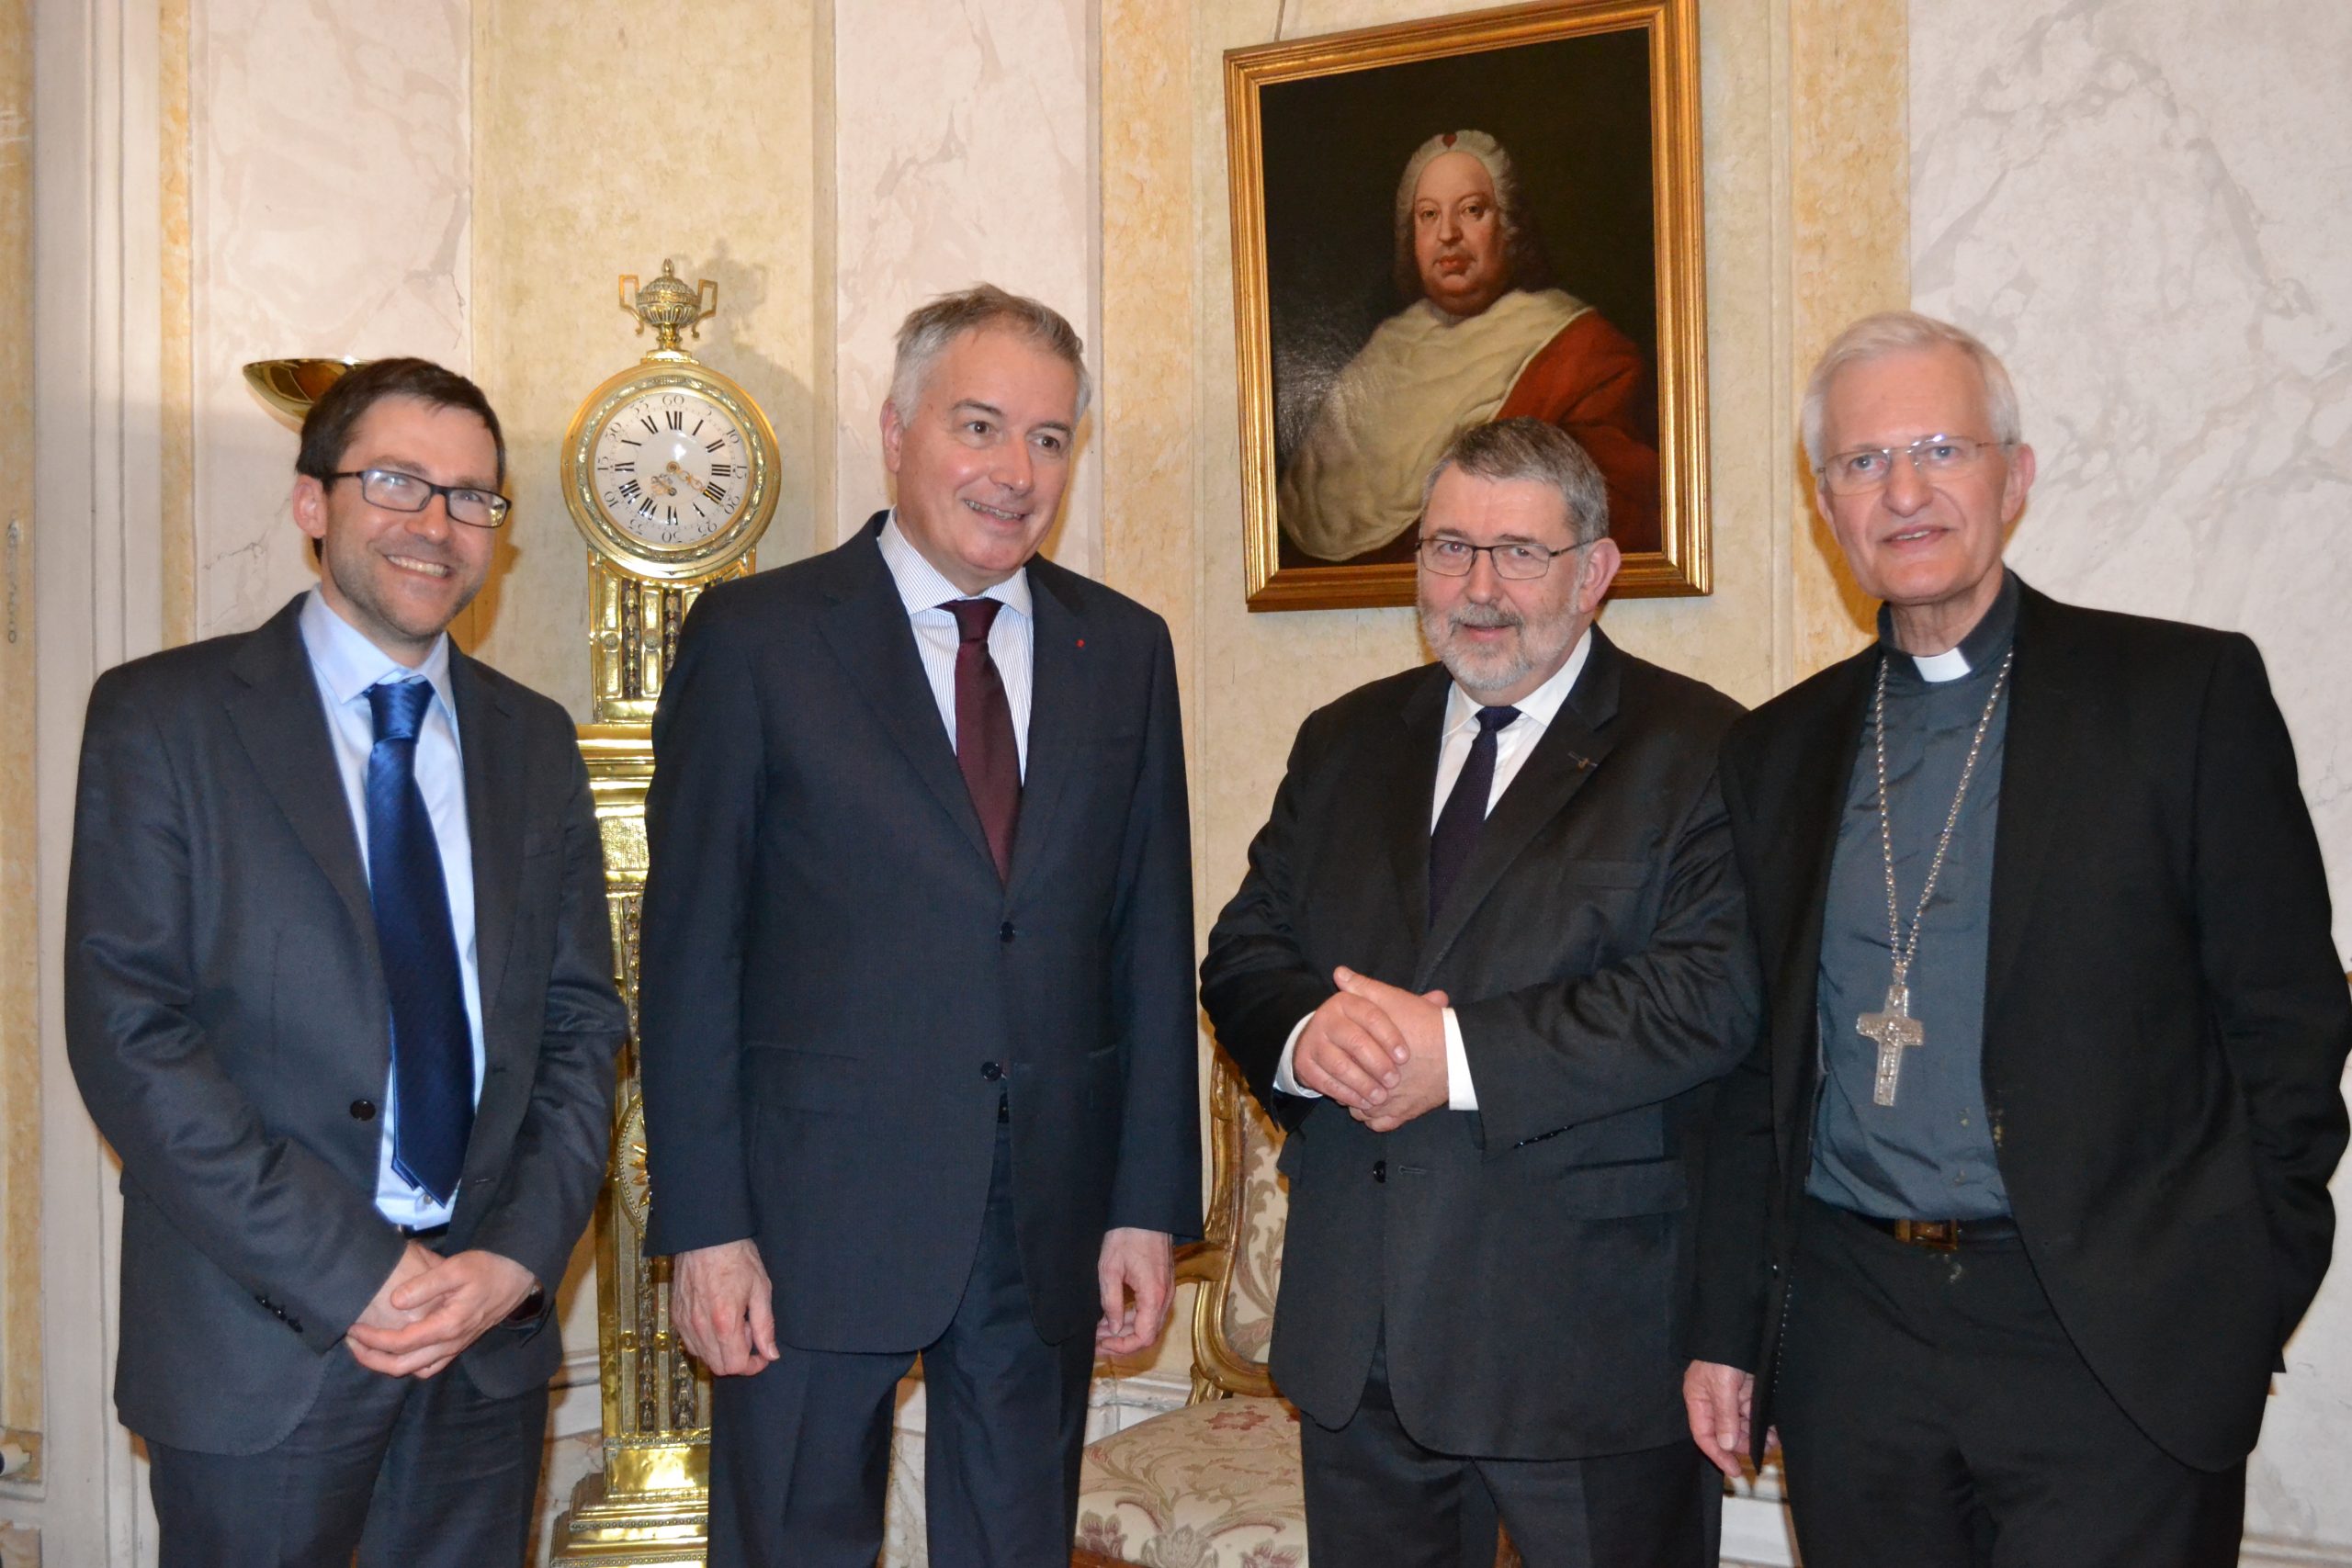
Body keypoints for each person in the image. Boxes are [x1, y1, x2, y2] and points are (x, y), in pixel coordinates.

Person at [1684, 310, 2352, 1567]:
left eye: (1942, 447)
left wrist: (2239, 1294)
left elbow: (2291, 1024)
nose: (1908, 491)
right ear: (1826, 505)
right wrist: (1732, 1321)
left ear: (2016, 475)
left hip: (2104, 1334)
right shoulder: (1775, 749)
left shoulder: (2179, 697)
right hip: (1853, 1332)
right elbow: (1751, 1073)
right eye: (1864, 462)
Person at [636, 284, 1199, 1568]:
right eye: (981, 426)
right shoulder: (759, 638)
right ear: (896, 432)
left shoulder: (1124, 649)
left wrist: (1143, 1204)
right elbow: (689, 956)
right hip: (805, 1219)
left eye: (1050, 438)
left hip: (1046, 1214)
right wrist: (705, 1221)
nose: (1016, 472)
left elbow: (1146, 945)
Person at [64, 357, 628, 1564]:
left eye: (473, 497)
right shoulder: (163, 718)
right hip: (261, 1338)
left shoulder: (532, 740)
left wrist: (513, 1261)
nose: (438, 524)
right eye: (398, 483)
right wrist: (360, 1270)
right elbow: (131, 1034)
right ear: (313, 502)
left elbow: (582, 1028)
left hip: (482, 1346)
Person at [1204, 417, 1756, 1566]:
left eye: (1519, 553)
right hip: (1360, 1333)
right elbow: (1244, 952)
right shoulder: (1345, 739)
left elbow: (1708, 996)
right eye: (1449, 548)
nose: (1479, 586)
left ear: (1596, 571)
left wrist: (1447, 1059)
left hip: (1586, 1341)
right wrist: (1314, 1036)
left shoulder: (1701, 747)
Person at [1278, 130, 1660, 565]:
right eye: (1427, 215)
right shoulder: (1383, 351)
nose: (1447, 234)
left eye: (1472, 211)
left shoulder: (1586, 353)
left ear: (1510, 227)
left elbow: (1611, 528)